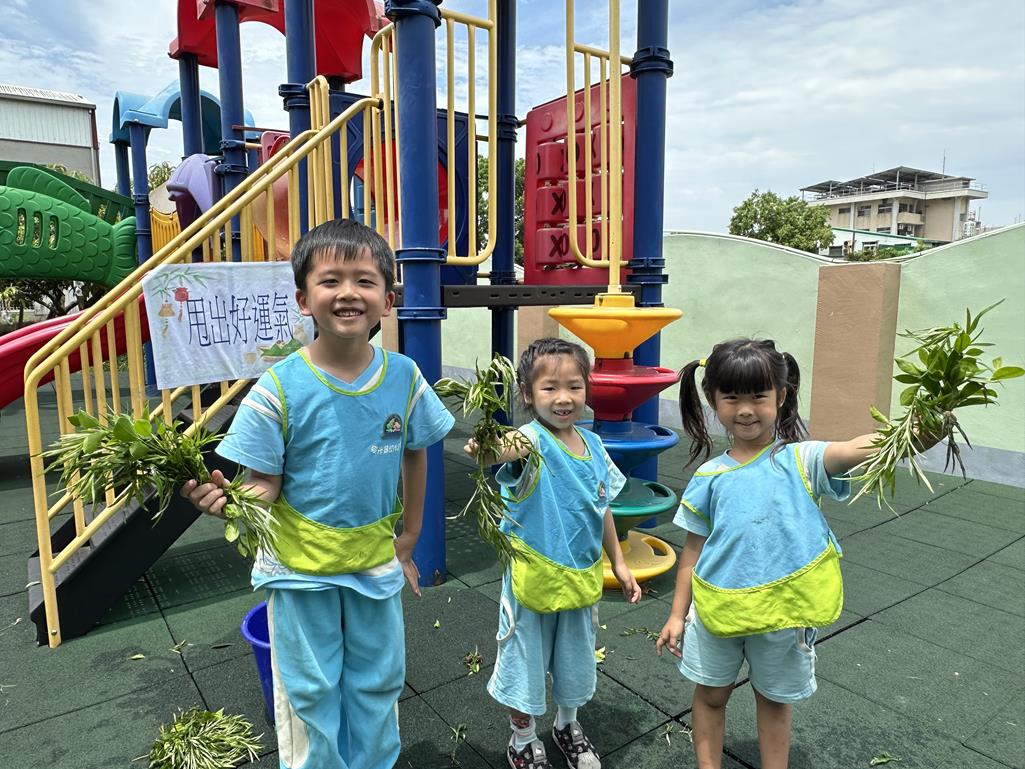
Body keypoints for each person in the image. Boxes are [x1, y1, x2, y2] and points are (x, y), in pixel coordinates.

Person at [181, 218, 454, 769]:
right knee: (311, 690)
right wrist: (231, 500)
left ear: (387, 300)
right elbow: (264, 483)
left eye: (365, 280)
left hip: (374, 560)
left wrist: (411, 535)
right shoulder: (278, 387)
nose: (348, 292)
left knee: (379, 681)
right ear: (304, 300)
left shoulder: (404, 377)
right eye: (331, 280)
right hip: (299, 568)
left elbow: (415, 450)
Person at [655, 338, 936, 769]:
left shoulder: (803, 460)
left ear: (781, 397)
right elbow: (692, 554)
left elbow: (861, 448)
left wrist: (919, 431)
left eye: (758, 396)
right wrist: (677, 615)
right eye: (732, 397)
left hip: (784, 612)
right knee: (710, 696)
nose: (745, 410)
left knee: (774, 699)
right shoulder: (709, 476)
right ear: (712, 399)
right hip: (716, 610)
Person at [466, 337, 642, 769]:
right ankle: (523, 740)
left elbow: (601, 506)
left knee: (575, 662)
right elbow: (503, 449)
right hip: (532, 580)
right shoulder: (531, 441)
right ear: (527, 394)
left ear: (586, 389)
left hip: (580, 578)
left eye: (574, 386)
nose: (564, 398)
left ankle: (567, 725)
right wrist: (487, 446)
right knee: (523, 665)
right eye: (550, 387)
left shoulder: (594, 445)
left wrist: (619, 563)